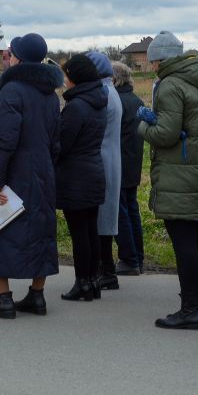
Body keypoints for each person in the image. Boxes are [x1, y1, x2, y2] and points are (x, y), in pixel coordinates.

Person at [0, 33, 62, 319]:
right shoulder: (50, 94)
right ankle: (37, 296)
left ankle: (3, 298)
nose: (7, 57)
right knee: (41, 231)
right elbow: (55, 141)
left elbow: (6, 140)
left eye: (11, 53)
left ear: (20, 58)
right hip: (44, 171)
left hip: (14, 172)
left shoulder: (13, 90)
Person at [138, 31, 198, 330]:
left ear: (160, 60)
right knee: (196, 239)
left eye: (152, 62)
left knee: (185, 243)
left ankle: (190, 310)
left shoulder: (170, 85)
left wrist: (142, 124)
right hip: (197, 170)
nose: (151, 68)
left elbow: (165, 134)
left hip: (178, 173)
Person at [56, 54, 108, 301]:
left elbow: (62, 144)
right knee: (90, 231)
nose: (64, 80)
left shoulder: (76, 106)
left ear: (75, 78)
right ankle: (94, 281)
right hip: (93, 171)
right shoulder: (98, 100)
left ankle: (82, 283)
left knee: (79, 234)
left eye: (67, 75)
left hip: (75, 176)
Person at [85, 51, 122, 292]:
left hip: (102, 157)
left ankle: (106, 270)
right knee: (104, 217)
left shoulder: (103, 94)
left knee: (101, 218)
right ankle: (105, 269)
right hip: (109, 156)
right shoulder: (110, 90)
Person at [111, 60, 145, 275]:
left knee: (119, 212)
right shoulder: (135, 99)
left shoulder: (117, 102)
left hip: (120, 162)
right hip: (133, 161)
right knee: (132, 210)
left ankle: (129, 258)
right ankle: (137, 256)